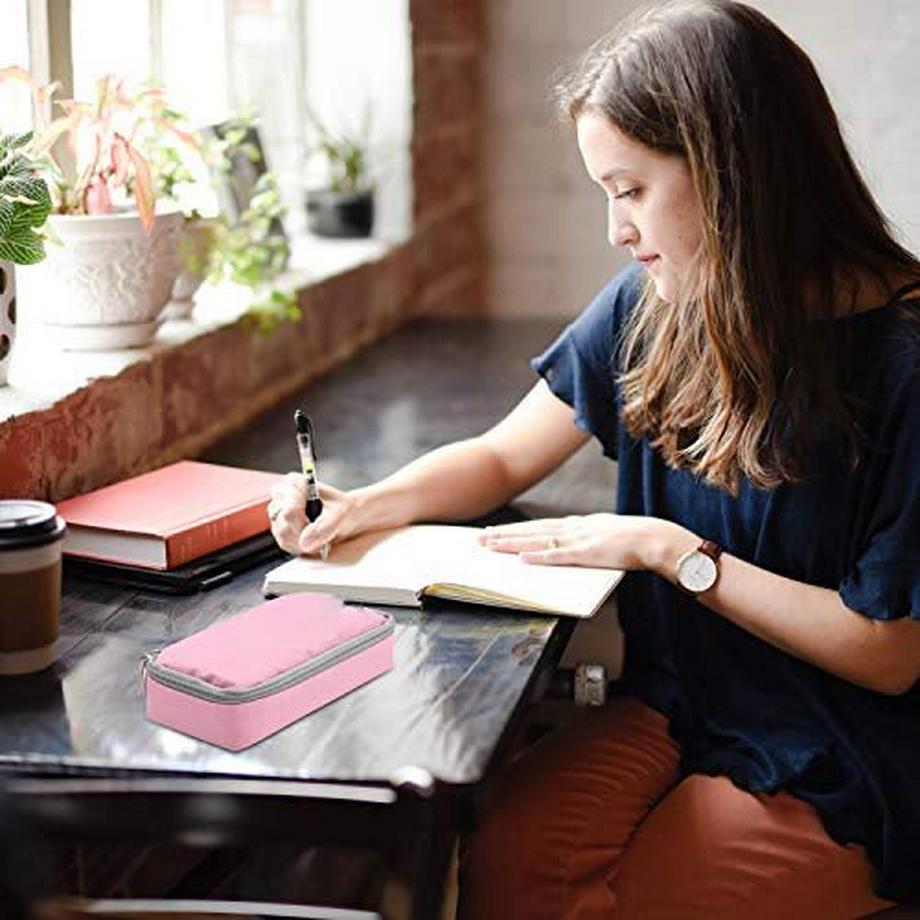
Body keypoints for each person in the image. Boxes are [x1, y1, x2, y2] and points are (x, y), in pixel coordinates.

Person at [269, 0, 919, 915]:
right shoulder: (651, 305)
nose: (616, 229)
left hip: (852, 742)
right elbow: (501, 457)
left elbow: (890, 654)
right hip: (681, 702)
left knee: (656, 898)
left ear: (733, 171)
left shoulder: (904, 365)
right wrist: (368, 504)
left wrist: (670, 550)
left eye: (631, 189)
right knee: (507, 862)